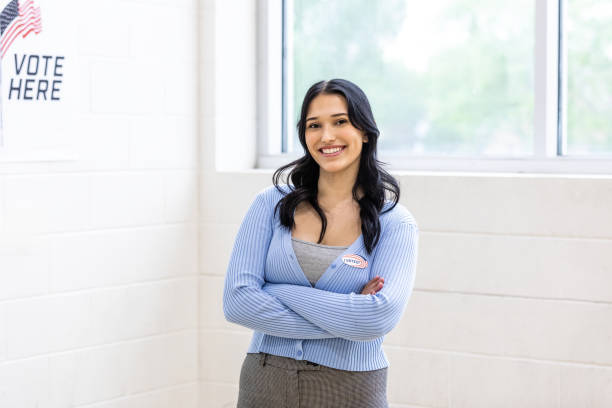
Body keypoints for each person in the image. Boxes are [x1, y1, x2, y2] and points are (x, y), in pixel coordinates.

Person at [223, 78, 419, 408]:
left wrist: (275, 290)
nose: (326, 136)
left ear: (365, 131)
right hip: (265, 380)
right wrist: (347, 317)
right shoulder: (269, 205)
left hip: (350, 386)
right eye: (314, 125)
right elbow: (237, 302)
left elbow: (378, 319)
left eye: (340, 122)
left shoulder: (395, 223)